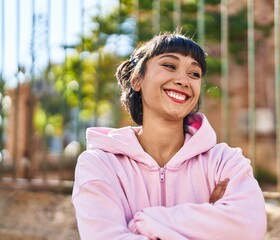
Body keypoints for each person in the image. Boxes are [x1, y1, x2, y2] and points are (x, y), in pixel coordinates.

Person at [72, 32, 267, 240]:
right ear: (137, 80)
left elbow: (249, 228)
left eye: (194, 74)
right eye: (170, 66)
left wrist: (146, 222)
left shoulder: (225, 162)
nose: (183, 80)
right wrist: (207, 223)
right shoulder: (100, 164)